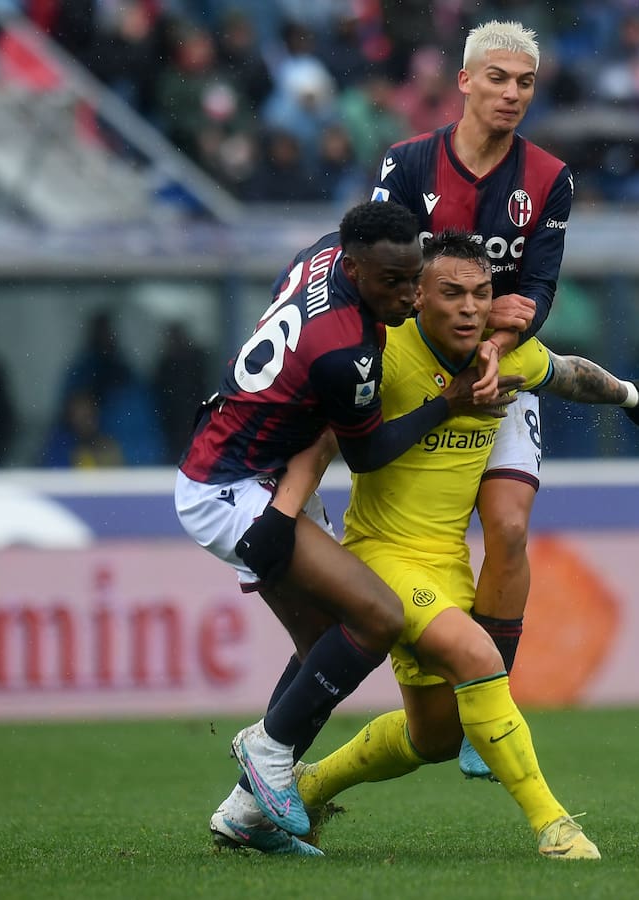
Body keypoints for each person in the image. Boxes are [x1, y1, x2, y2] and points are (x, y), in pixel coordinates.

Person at [220, 230, 639, 860]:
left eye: (480, 294)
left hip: (446, 564)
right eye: (451, 293)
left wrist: (630, 395)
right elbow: (319, 443)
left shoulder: (504, 354)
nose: (468, 308)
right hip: (381, 557)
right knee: (480, 658)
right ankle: (554, 826)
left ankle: (307, 787)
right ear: (417, 298)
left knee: (432, 737)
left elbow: (565, 375)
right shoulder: (381, 353)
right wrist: (283, 515)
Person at [176, 202, 519, 856]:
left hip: (252, 464)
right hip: (233, 487)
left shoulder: (323, 254)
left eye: (412, 277)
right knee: (377, 618)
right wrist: (446, 404)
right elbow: (363, 452)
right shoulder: (350, 353)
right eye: (392, 283)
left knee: (322, 643)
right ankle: (269, 748)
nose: (408, 295)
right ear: (356, 269)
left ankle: (247, 816)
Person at [370, 19, 639, 779]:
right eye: (497, 79)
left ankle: (489, 703)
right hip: (412, 368)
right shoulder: (405, 165)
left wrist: (493, 347)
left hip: (502, 365)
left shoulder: (550, 177)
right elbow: (378, 268)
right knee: (405, 531)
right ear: (464, 82)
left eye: (525, 82)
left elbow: (538, 289)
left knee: (510, 528)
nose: (512, 94)